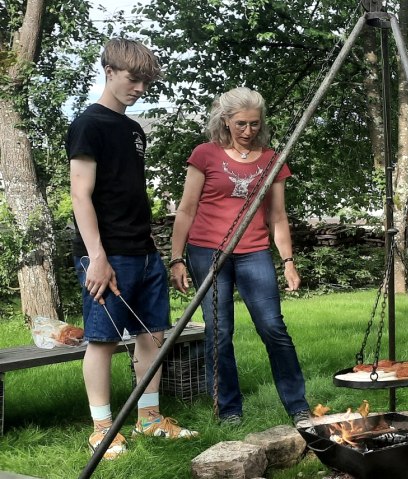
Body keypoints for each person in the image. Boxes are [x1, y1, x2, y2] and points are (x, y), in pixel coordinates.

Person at [67, 38, 197, 459]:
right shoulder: (89, 124)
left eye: (146, 81)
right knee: (102, 341)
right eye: (133, 78)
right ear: (109, 71)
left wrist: (153, 249)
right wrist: (98, 258)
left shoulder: (134, 129)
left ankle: (149, 418)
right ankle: (102, 428)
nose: (140, 87)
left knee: (152, 334)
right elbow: (80, 195)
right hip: (106, 252)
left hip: (143, 250)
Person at [168, 87, 312, 427]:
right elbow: (186, 210)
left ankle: (298, 406)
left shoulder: (271, 159)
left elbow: (277, 216)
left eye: (254, 124)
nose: (248, 131)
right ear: (225, 121)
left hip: (254, 253)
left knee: (273, 327)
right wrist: (177, 257)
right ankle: (229, 410)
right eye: (241, 124)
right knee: (219, 332)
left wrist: (288, 262)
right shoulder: (205, 154)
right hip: (207, 253)